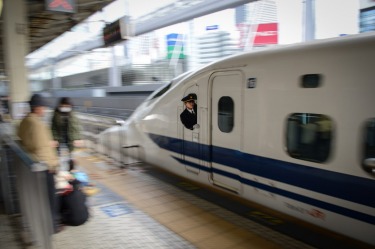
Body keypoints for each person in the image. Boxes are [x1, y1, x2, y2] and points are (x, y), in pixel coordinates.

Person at [17, 93, 62, 233]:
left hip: (33, 165)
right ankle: (52, 226)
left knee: (41, 198)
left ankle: (47, 224)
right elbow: (42, 150)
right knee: (50, 198)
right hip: (44, 167)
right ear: (37, 108)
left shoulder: (24, 121)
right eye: (43, 107)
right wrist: (53, 165)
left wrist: (48, 143)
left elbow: (29, 140)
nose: (44, 110)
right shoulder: (38, 125)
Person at [51, 97, 83, 166]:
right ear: (60, 105)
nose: (65, 108)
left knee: (72, 158)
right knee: (60, 158)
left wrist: (78, 138)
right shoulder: (56, 114)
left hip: (70, 139)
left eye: (67, 106)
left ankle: (71, 171)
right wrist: (54, 138)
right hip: (60, 139)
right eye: (63, 106)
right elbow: (53, 128)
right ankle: (60, 172)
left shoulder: (72, 114)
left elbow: (77, 127)